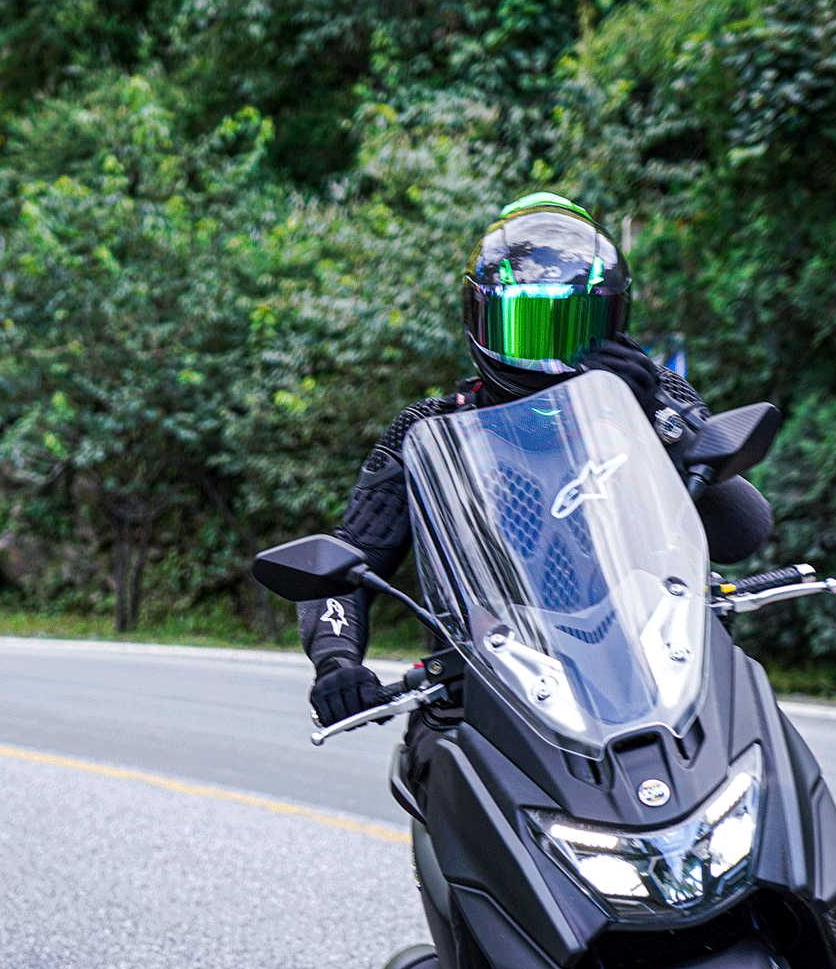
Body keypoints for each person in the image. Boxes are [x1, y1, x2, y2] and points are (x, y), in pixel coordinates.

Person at [300, 192, 773, 728]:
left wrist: (655, 422)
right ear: (481, 317)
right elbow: (348, 562)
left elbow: (744, 531)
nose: (547, 354)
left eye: (572, 328)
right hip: (486, 699)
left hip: (660, 679)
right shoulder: (427, 429)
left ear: (613, 324)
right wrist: (337, 664)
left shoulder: (653, 394)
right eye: (527, 325)